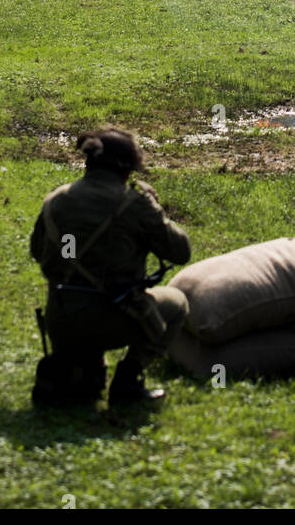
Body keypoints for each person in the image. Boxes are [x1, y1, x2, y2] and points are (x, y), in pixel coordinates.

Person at [30, 127, 191, 408]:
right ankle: (129, 382)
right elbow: (180, 251)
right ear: (128, 170)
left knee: (88, 385)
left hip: (61, 319)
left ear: (87, 163)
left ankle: (77, 370)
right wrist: (154, 207)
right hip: (110, 316)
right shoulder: (136, 204)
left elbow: (36, 251)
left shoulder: (56, 199)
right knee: (176, 303)